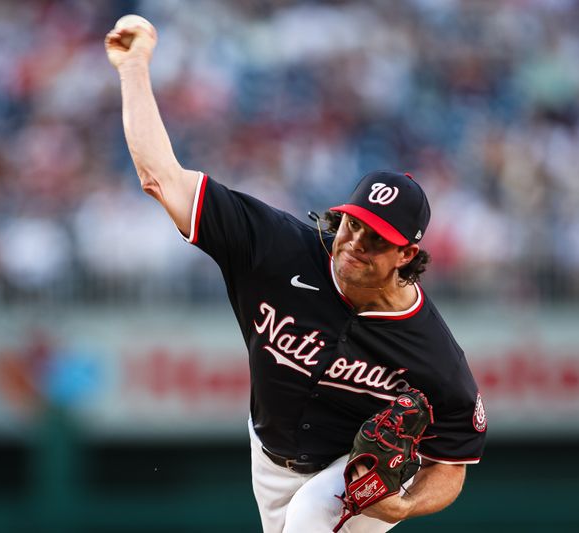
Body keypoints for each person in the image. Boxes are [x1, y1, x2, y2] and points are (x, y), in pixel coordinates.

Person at [105, 16, 487, 533]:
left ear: (406, 255)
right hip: (269, 456)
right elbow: (161, 177)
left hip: (350, 476)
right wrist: (134, 67)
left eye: (377, 239)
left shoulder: (433, 353)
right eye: (353, 224)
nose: (355, 243)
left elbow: (453, 462)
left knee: (312, 514)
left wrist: (405, 505)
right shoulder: (275, 247)